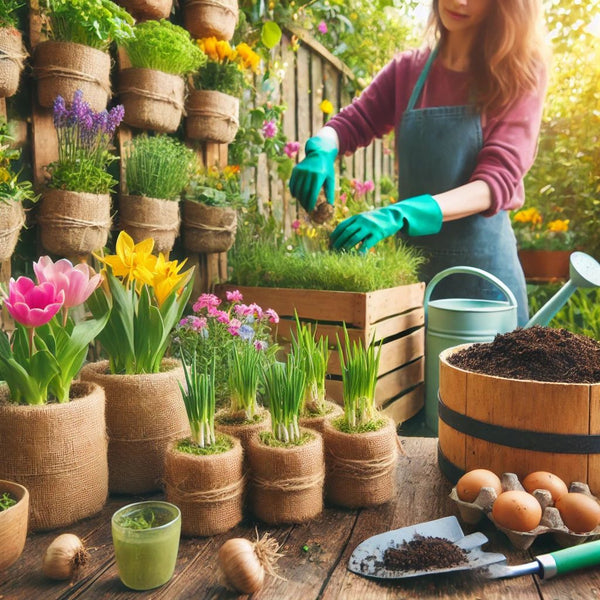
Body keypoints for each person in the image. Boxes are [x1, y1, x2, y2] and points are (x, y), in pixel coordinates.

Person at [289, 0, 549, 326]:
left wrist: (402, 213)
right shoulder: (408, 71)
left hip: (484, 289)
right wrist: (321, 149)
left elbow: (495, 181)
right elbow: (352, 123)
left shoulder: (518, 72)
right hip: (414, 283)